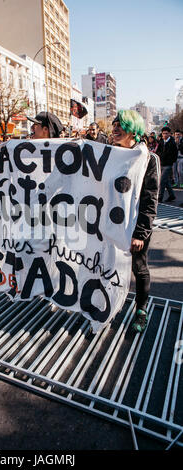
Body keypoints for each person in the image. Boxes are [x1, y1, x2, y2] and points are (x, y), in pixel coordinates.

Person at [112, 110, 160, 333]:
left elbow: (150, 199)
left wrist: (140, 232)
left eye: (120, 124)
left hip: (136, 226)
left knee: (138, 268)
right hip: (112, 225)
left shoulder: (148, 158)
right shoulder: (111, 155)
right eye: (113, 125)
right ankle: (110, 304)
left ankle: (141, 310)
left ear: (134, 130)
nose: (114, 128)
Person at [156, 126, 178, 202]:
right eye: (163, 133)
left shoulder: (172, 142)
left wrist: (170, 161)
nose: (165, 135)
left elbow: (175, 154)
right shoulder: (161, 142)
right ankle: (172, 195)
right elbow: (157, 152)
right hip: (161, 163)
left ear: (169, 134)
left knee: (162, 181)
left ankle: (160, 197)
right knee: (166, 181)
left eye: (166, 133)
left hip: (168, 165)